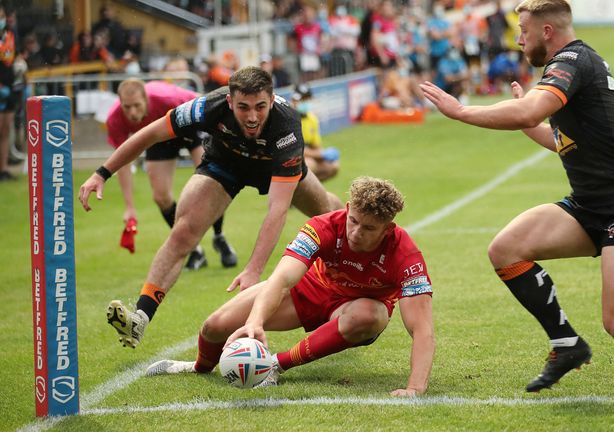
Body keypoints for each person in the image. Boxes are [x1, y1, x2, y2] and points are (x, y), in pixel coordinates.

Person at [420, 0, 614, 392]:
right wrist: (526, 118)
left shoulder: (571, 61)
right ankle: (566, 343)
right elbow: (562, 141)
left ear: (547, 31)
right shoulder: (572, 66)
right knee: (506, 249)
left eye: (523, 30)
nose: (519, 40)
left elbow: (530, 114)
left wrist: (462, 111)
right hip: (587, 206)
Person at [79, 66, 343, 349]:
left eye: (260, 107)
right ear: (229, 102)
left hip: (273, 167)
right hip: (225, 164)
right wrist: (102, 173)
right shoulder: (208, 106)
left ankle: (345, 260)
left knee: (327, 215)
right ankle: (140, 318)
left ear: (271, 98)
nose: (252, 117)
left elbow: (277, 209)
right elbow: (149, 135)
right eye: (243, 107)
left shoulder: (286, 126)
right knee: (183, 232)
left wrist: (254, 269)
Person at [144, 177, 435, 397]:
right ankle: (196, 368)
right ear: (347, 210)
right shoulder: (324, 226)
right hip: (311, 290)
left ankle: (275, 366)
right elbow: (283, 278)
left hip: (356, 308)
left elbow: (421, 328)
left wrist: (414, 388)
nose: (356, 233)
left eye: (369, 228)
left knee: (369, 316)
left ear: (388, 229)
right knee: (214, 326)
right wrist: (254, 322)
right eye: (354, 221)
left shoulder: (405, 255)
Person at [105, 78, 237, 269]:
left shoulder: (168, 98)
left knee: (213, 181)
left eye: (136, 106)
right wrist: (129, 207)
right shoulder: (115, 118)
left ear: (146, 99)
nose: (132, 113)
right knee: (161, 197)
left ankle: (219, 238)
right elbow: (123, 163)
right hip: (158, 135)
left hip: (190, 124)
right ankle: (194, 249)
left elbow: (205, 105)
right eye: (127, 107)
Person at [291, 83, 339, 181]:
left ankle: (311, 192)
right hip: (290, 157)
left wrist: (323, 154)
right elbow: (294, 150)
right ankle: (300, 192)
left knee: (333, 166)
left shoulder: (312, 119)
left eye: (307, 99)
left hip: (306, 156)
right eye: (302, 99)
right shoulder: (289, 118)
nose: (305, 102)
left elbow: (316, 146)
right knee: (310, 165)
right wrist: (321, 155)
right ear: (294, 100)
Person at [0, 5, 16, 181]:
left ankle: (3, 169)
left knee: (5, 130)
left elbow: (12, 57)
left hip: (9, 87)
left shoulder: (10, 34)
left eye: (2, 16)